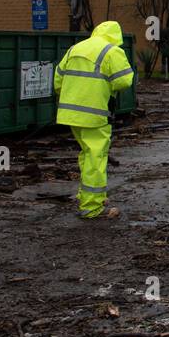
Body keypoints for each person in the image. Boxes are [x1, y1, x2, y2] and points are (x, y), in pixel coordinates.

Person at [53, 21, 135, 220]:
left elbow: (57, 81)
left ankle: (88, 194)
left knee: (87, 153)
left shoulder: (75, 48)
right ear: (116, 36)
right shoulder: (112, 51)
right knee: (96, 158)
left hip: (70, 113)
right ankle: (91, 206)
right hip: (95, 114)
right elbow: (124, 81)